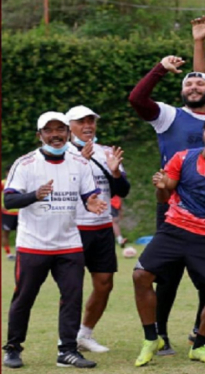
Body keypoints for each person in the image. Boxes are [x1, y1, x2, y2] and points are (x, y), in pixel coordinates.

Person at [132, 109, 205, 366]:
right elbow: (164, 198)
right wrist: (162, 188)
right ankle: (151, 338)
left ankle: (198, 345)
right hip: (174, 228)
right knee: (141, 275)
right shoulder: (182, 158)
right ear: (203, 132)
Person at [129, 54, 205, 354]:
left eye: (200, 82)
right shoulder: (169, 115)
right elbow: (137, 98)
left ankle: (201, 335)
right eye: (189, 82)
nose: (194, 86)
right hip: (170, 204)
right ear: (182, 91)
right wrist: (160, 69)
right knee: (166, 275)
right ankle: (160, 335)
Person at [2, 112, 107, 369]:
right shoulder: (25, 164)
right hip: (33, 244)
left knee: (72, 297)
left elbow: (89, 195)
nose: (55, 135)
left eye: (60, 129)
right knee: (24, 298)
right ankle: (13, 348)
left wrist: (92, 202)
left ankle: (67, 351)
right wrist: (34, 195)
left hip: (69, 243)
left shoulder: (80, 164)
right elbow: (9, 200)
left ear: (68, 133)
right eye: (49, 130)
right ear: (40, 136)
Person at [64, 105, 131, 354]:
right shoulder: (61, 153)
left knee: (104, 284)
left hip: (102, 228)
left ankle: (85, 334)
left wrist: (115, 173)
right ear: (69, 126)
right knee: (71, 286)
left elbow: (122, 190)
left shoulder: (106, 152)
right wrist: (82, 160)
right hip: (72, 229)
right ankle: (67, 340)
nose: (88, 125)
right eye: (81, 121)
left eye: (91, 121)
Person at [1, 177, 18, 260]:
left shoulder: (20, 181)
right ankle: (8, 254)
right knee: (5, 233)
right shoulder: (3, 183)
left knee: (20, 234)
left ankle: (18, 253)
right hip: (7, 212)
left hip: (19, 212)